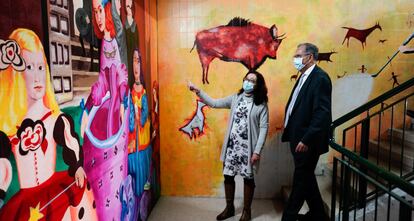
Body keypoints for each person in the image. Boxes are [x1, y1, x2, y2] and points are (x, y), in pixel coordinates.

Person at [0, 28, 96, 220]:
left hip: (54, 189)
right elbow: (3, 167)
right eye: (29, 67)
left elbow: (70, 142)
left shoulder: (54, 119)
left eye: (41, 67)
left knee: (77, 193)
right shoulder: (9, 126)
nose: (37, 76)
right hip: (26, 202)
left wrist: (77, 166)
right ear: (15, 73)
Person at [188, 71, 269, 221]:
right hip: (232, 147)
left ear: (258, 85)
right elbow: (214, 103)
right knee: (228, 175)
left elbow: (264, 128)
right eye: (246, 79)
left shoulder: (261, 104)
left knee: (248, 178)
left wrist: (257, 151)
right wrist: (198, 91)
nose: (248, 82)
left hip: (248, 149)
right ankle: (229, 208)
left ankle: (246, 212)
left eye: (252, 80)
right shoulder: (235, 98)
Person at [81, 0, 130, 219]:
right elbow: (103, 77)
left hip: (116, 103)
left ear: (108, 12)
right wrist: (93, 99)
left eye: (100, 11)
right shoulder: (105, 43)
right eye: (94, 12)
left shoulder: (117, 40)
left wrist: (121, 99)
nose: (97, 18)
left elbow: (120, 73)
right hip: (109, 101)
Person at [281, 43, 332, 221]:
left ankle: (288, 217)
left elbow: (322, 113)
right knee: (306, 177)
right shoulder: (303, 76)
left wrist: (307, 139)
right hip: (297, 137)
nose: (295, 59)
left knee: (300, 180)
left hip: (307, 141)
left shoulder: (320, 78)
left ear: (309, 57)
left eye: (298, 55)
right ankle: (319, 215)